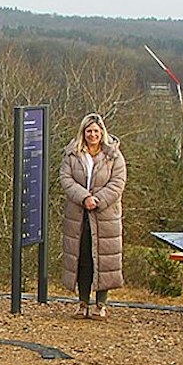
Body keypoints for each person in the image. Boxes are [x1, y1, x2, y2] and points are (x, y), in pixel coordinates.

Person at [58, 112, 127, 319]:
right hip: (78, 215)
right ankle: (82, 302)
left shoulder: (114, 156)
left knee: (104, 259)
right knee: (82, 259)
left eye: (96, 131)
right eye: (89, 131)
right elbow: (66, 178)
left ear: (102, 132)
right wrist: (83, 198)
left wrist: (97, 199)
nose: (93, 135)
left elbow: (118, 183)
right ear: (83, 132)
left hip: (105, 215)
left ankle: (101, 304)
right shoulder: (72, 154)